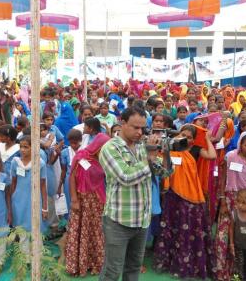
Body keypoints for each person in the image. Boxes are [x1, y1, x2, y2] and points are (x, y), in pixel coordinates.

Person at [98, 107, 169, 281]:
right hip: (119, 220)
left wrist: (166, 151)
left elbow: (163, 173)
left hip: (142, 219)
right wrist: (150, 158)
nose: (140, 132)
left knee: (134, 268)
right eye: (135, 127)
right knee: (112, 271)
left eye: (143, 128)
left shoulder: (142, 146)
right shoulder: (110, 148)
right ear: (122, 123)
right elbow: (126, 176)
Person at [154, 124, 216, 279]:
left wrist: (207, 139)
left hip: (190, 197)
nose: (185, 139)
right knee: (172, 227)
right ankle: (170, 261)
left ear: (193, 140)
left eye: (189, 137)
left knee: (187, 229)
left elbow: (212, 155)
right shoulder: (170, 148)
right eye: (183, 134)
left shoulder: (195, 150)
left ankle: (188, 263)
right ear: (178, 134)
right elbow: (159, 163)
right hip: (172, 194)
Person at [215, 132, 246, 280]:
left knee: (245, 236)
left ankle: (244, 272)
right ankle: (223, 272)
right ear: (240, 144)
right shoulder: (231, 156)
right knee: (224, 235)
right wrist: (223, 201)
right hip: (231, 200)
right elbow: (223, 179)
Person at [65, 133, 110, 277]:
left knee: (96, 231)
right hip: (82, 201)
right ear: (98, 145)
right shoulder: (81, 156)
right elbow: (72, 177)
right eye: (104, 147)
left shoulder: (104, 160)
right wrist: (74, 199)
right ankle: (78, 265)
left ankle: (95, 263)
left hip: (97, 202)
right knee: (81, 231)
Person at [10, 135, 49, 255]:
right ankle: (25, 257)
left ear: (33, 148)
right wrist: (10, 203)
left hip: (35, 200)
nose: (22, 150)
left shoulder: (40, 163)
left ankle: (37, 256)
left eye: (26, 147)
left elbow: (43, 185)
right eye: (21, 147)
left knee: (36, 229)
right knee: (22, 231)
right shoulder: (15, 162)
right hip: (19, 201)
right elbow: (13, 183)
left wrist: (45, 207)